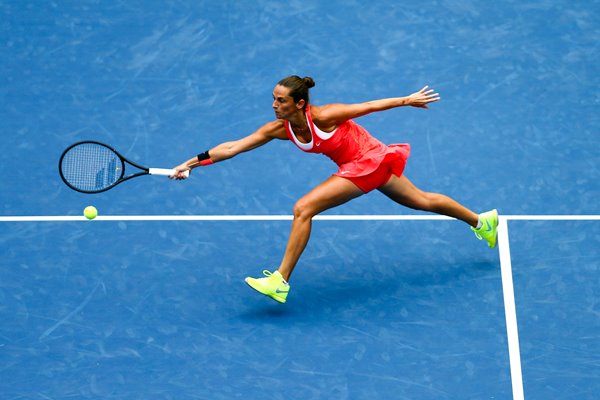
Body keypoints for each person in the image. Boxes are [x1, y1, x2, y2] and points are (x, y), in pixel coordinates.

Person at [171, 75, 498, 304]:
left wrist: (406, 100)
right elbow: (233, 147)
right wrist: (191, 163)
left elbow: (368, 106)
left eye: (281, 100)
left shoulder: (325, 115)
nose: (274, 105)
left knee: (304, 208)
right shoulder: (279, 129)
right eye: (273, 98)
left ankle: (280, 281)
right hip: (371, 163)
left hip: (367, 161)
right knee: (421, 200)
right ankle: (483, 222)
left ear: (300, 103)